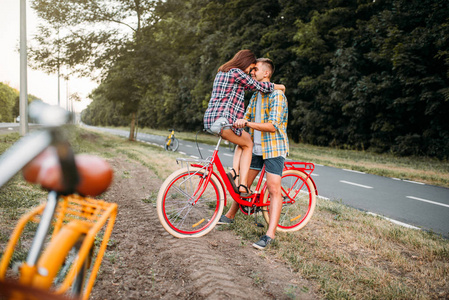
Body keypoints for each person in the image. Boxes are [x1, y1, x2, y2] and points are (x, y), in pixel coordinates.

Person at [218, 58, 289, 250]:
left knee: (274, 189)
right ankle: (230, 215)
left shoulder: (277, 95)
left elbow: (273, 126)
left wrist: (247, 124)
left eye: (255, 69)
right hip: (256, 147)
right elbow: (245, 118)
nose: (252, 72)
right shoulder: (257, 95)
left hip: (273, 148)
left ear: (266, 73)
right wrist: (231, 124)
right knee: (244, 185)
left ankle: (269, 235)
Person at [204, 50, 285, 196]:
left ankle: (235, 173)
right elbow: (257, 86)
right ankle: (241, 183)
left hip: (211, 120)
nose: (251, 72)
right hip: (223, 121)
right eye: (251, 68)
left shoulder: (222, 72)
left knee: (243, 138)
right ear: (246, 63)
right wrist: (280, 87)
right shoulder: (237, 72)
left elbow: (249, 86)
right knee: (248, 143)